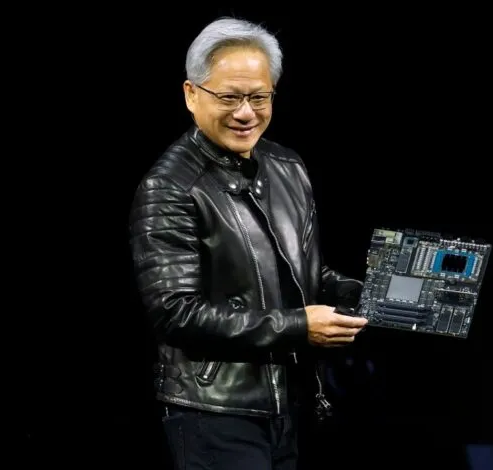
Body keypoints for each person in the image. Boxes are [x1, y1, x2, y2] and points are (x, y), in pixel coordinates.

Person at [128, 16, 368, 470]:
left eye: (259, 97)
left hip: (290, 405)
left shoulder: (287, 166)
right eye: (230, 97)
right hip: (213, 412)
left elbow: (304, 273)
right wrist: (298, 326)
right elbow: (175, 313)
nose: (245, 113)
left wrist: (356, 295)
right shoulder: (170, 187)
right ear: (191, 94)